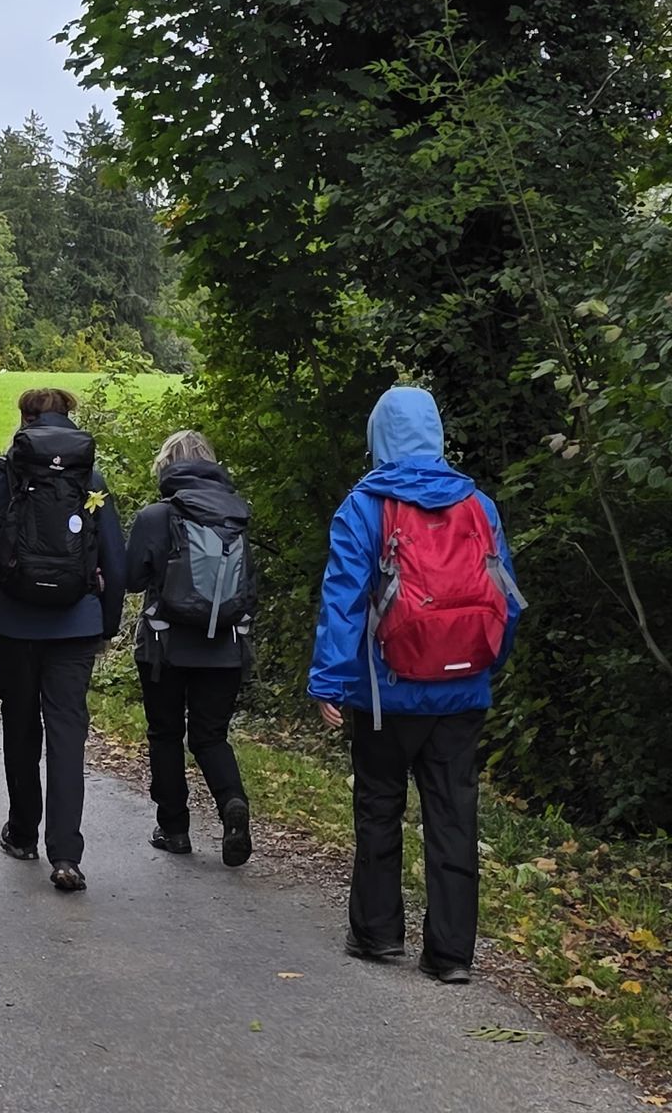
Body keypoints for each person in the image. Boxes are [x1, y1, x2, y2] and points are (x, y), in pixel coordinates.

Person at [310, 385, 522, 985]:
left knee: (380, 805)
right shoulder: (478, 505)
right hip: (462, 691)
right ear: (435, 434)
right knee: (453, 815)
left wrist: (329, 680)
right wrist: (485, 662)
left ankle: (377, 934)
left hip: (387, 691)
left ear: (379, 436)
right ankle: (451, 955)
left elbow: (344, 601)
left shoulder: (364, 506)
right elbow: (506, 598)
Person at [0, 387, 126, 892]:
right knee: (67, 733)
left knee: (20, 724)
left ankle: (22, 832)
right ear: (67, 418)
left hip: (11, 624)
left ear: (24, 420)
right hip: (76, 626)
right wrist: (106, 625)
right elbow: (115, 562)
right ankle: (66, 855)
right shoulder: (90, 480)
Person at [125, 429, 255, 865]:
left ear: (166, 466)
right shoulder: (237, 514)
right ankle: (232, 801)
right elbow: (248, 587)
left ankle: (175, 829)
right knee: (210, 735)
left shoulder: (156, 516)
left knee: (165, 734)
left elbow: (132, 579)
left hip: (165, 646)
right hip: (225, 647)